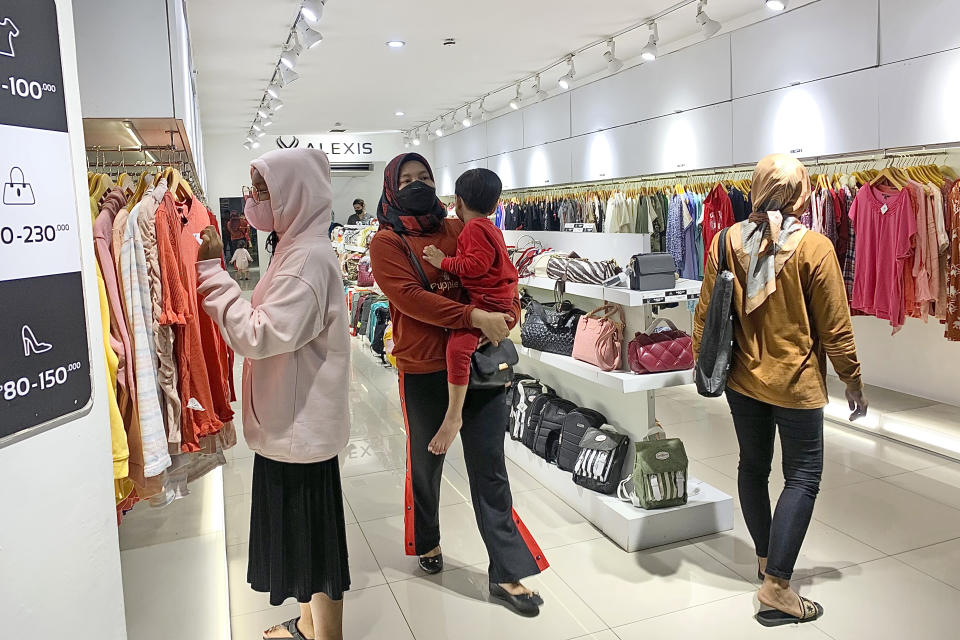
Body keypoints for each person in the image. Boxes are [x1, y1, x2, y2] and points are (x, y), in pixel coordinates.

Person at [693, 154, 868, 628]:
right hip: (796, 384)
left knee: (753, 466)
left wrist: (705, 362)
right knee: (803, 475)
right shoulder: (814, 248)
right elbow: (835, 327)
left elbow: (706, 314)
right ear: (802, 193)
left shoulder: (726, 240)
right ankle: (777, 587)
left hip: (742, 381)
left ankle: (766, 560)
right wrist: (852, 377)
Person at [369, 153, 549, 616]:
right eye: (406, 179)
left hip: (481, 367)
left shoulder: (459, 227)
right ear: (391, 186)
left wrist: (504, 313)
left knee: (489, 467)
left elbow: (492, 274)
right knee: (426, 465)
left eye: (423, 177)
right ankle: (427, 539)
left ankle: (507, 572)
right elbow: (410, 300)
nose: (416, 184)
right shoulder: (386, 243)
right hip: (424, 367)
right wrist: (473, 315)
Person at [197, 148, 351, 640]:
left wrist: (213, 279)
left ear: (293, 194)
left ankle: (325, 634)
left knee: (316, 549)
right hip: (292, 426)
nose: (254, 200)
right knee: (307, 547)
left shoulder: (306, 259)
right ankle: (307, 625)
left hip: (298, 431)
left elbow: (259, 335)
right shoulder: (296, 247)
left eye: (263, 190)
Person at [421, 168, 516, 455]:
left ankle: (454, 415)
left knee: (457, 350)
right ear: (496, 204)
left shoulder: (474, 228)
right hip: (495, 300)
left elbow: (475, 265)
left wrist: (444, 262)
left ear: (459, 202)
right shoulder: (490, 228)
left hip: (489, 304)